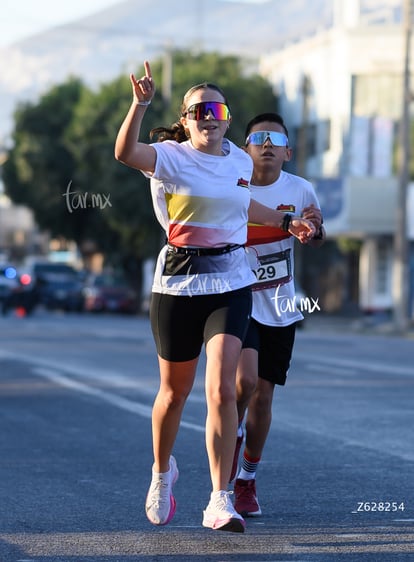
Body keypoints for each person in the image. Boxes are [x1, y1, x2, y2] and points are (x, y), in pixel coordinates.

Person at [114, 63, 315, 533]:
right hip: (179, 281)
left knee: (223, 389)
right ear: (186, 119)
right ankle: (162, 473)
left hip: (230, 280)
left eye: (217, 109)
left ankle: (219, 499)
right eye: (199, 110)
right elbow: (125, 153)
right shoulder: (169, 156)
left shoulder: (240, 162)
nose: (209, 116)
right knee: (173, 393)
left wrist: (287, 222)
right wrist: (140, 104)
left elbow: (244, 204)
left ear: (228, 118)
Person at [231, 112, 325, 517]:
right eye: (257, 138)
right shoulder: (231, 185)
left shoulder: (300, 189)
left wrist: (313, 230)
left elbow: (318, 230)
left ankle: (246, 479)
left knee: (263, 397)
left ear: (287, 151)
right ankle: (224, 470)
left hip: (281, 306)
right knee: (243, 384)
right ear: (245, 148)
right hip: (235, 298)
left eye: (274, 139)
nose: (266, 144)